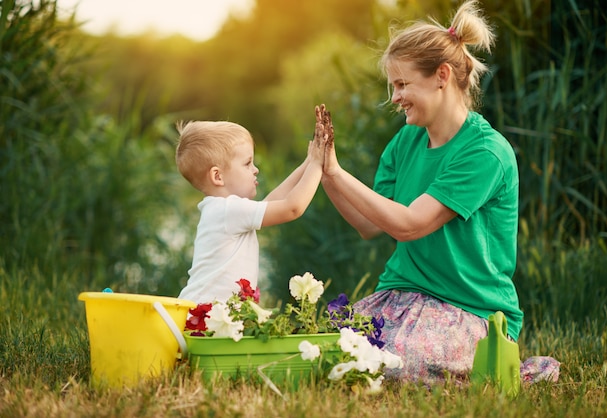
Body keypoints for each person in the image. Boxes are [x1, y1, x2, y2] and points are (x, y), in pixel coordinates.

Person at [318, 0, 559, 385]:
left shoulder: (485, 152)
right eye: (393, 86)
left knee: (390, 365)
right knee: (329, 349)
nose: (395, 97)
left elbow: (411, 226)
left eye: (402, 84)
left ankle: (510, 367)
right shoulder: (406, 141)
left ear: (442, 75)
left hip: (469, 308)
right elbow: (369, 224)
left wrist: (336, 171)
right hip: (402, 294)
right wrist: (325, 173)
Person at [175, 115, 327, 304]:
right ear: (217, 176)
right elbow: (292, 208)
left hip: (208, 314)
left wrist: (308, 163)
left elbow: (275, 201)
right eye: (247, 163)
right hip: (204, 317)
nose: (255, 169)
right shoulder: (227, 210)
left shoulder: (222, 210)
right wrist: (316, 165)